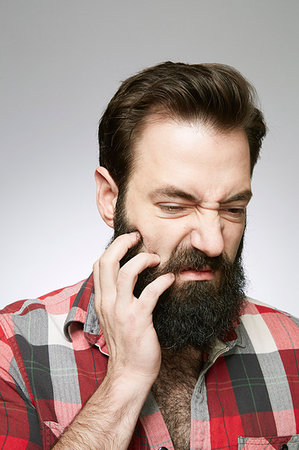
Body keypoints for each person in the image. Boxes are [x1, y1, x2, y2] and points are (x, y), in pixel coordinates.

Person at [0, 62, 298, 450]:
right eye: (175, 206)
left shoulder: (294, 349)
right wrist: (124, 381)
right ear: (110, 199)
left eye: (232, 209)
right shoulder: (14, 352)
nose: (212, 242)